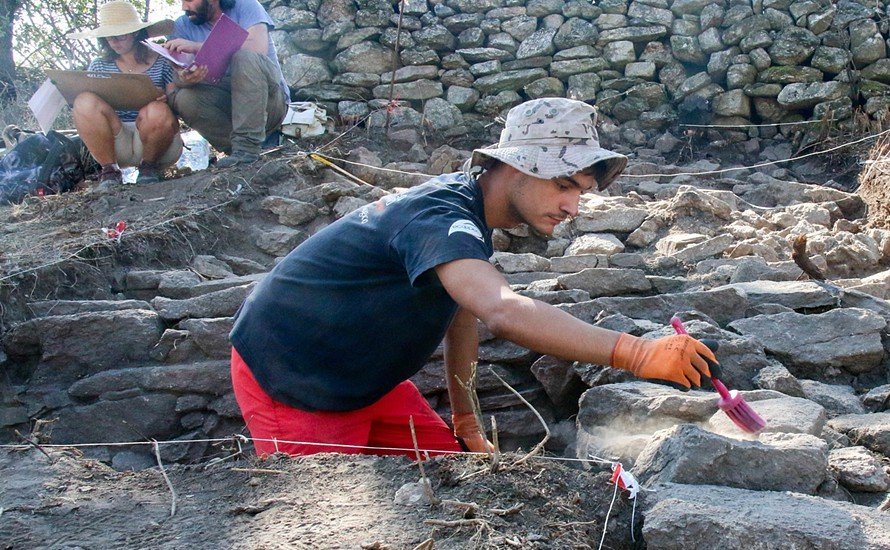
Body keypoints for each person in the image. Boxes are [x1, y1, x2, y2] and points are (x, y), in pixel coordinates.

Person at [229, 98, 719, 458]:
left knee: (445, 471)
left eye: (582, 192)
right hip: (293, 373)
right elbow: (502, 311)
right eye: (564, 184)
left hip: (363, 379)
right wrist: (635, 352)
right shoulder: (441, 215)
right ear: (513, 167)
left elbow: (461, 316)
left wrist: (465, 415)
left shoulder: (468, 224)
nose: (573, 207)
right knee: (324, 514)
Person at [69, 1, 183, 191]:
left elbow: (178, 101)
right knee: (83, 102)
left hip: (157, 138)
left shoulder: (161, 59)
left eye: (119, 36)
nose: (114, 41)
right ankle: (109, 171)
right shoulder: (99, 65)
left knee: (157, 110)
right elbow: (89, 111)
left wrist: (167, 99)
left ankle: (148, 168)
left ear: (135, 33)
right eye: (108, 37)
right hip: (114, 140)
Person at [164, 0, 290, 168]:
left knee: (244, 57)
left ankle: (247, 147)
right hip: (225, 102)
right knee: (183, 98)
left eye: (189, 0)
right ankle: (241, 151)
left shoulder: (246, 5)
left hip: (269, 101)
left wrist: (198, 47)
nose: (184, 7)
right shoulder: (182, 25)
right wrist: (185, 77)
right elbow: (176, 75)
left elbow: (257, 47)